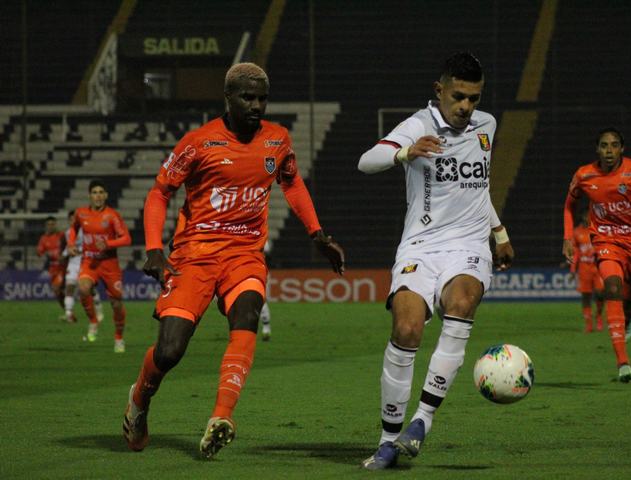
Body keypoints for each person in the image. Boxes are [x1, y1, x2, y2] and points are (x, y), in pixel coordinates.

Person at [122, 62, 345, 458]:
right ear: (228, 98)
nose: (256, 105)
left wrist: (317, 234)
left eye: (262, 99)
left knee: (247, 314)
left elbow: (292, 182)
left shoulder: (277, 139)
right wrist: (154, 248)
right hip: (195, 255)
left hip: (244, 253)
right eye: (247, 97)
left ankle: (221, 417)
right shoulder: (198, 143)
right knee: (170, 351)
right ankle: (139, 398)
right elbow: (159, 193)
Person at [357, 52, 514, 470]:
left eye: (474, 98)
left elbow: (476, 187)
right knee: (406, 329)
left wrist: (498, 232)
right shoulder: (417, 125)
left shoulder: (487, 125)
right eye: (458, 96)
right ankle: (388, 441)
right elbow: (366, 161)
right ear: (439, 90)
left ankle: (422, 420)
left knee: (461, 302)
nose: (466, 106)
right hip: (421, 246)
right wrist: (405, 153)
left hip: (468, 244)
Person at [562, 128, 631, 382]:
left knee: (629, 302)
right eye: (604, 145)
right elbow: (569, 205)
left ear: (622, 148)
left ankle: (628, 319)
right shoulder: (584, 175)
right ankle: (623, 363)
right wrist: (568, 237)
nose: (609, 151)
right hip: (605, 241)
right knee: (612, 287)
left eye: (613, 145)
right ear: (597, 149)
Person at [67, 180, 131, 351]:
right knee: (83, 288)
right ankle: (93, 321)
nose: (98, 196)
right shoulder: (81, 213)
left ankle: (119, 338)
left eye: (101, 192)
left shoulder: (112, 215)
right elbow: (73, 229)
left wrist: (109, 243)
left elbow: (126, 238)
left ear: (106, 195)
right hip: (89, 261)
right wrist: (71, 244)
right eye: (95, 192)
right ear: (89, 195)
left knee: (116, 303)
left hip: (110, 264)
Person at [62, 209, 103, 324]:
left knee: (90, 289)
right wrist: (65, 253)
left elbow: (91, 245)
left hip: (85, 262)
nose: (72, 221)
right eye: (70, 219)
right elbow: (69, 247)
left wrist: (80, 250)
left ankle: (98, 308)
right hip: (73, 263)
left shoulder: (86, 230)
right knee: (69, 287)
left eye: (74, 219)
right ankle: (68, 314)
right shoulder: (68, 233)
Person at [569, 212, 604, 332]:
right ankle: (588, 323)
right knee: (586, 296)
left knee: (600, 294)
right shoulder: (576, 232)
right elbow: (575, 253)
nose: (589, 217)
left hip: (597, 268)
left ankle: (598, 316)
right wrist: (572, 270)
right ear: (583, 216)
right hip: (584, 268)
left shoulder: (598, 230)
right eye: (587, 215)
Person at [36, 216, 65, 315]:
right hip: (53, 268)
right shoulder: (44, 238)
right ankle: (68, 311)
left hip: (64, 266)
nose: (50, 226)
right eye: (48, 224)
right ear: (46, 226)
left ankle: (69, 312)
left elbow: (69, 246)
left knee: (58, 288)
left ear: (55, 225)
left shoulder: (62, 235)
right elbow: (39, 252)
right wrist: (40, 251)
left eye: (52, 224)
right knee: (57, 292)